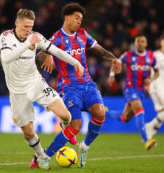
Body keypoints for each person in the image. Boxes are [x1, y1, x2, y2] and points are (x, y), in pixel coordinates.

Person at [35, 3, 121, 169]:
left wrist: (113, 58)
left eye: (81, 18)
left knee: (100, 114)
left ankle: (85, 146)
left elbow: (100, 50)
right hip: (69, 87)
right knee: (75, 127)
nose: (79, 21)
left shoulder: (82, 34)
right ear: (66, 17)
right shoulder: (56, 37)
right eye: (76, 17)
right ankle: (45, 156)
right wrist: (47, 55)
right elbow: (40, 53)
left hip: (88, 85)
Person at [0, 8, 84, 169]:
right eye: (25, 27)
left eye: (30, 26)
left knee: (66, 115)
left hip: (36, 83)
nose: (28, 30)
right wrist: (28, 44)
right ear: (16, 23)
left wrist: (75, 62)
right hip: (17, 92)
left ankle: (66, 128)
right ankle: (40, 156)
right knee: (29, 133)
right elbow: (6, 58)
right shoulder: (6, 37)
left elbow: (55, 50)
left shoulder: (35, 37)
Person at [107, 34, 159, 150]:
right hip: (130, 88)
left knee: (125, 117)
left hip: (141, 90)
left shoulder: (151, 57)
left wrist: (150, 80)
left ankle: (104, 112)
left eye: (142, 41)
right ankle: (146, 141)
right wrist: (111, 75)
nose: (140, 43)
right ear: (135, 44)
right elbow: (115, 62)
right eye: (138, 41)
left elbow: (157, 72)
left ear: (146, 44)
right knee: (139, 108)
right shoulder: (129, 55)